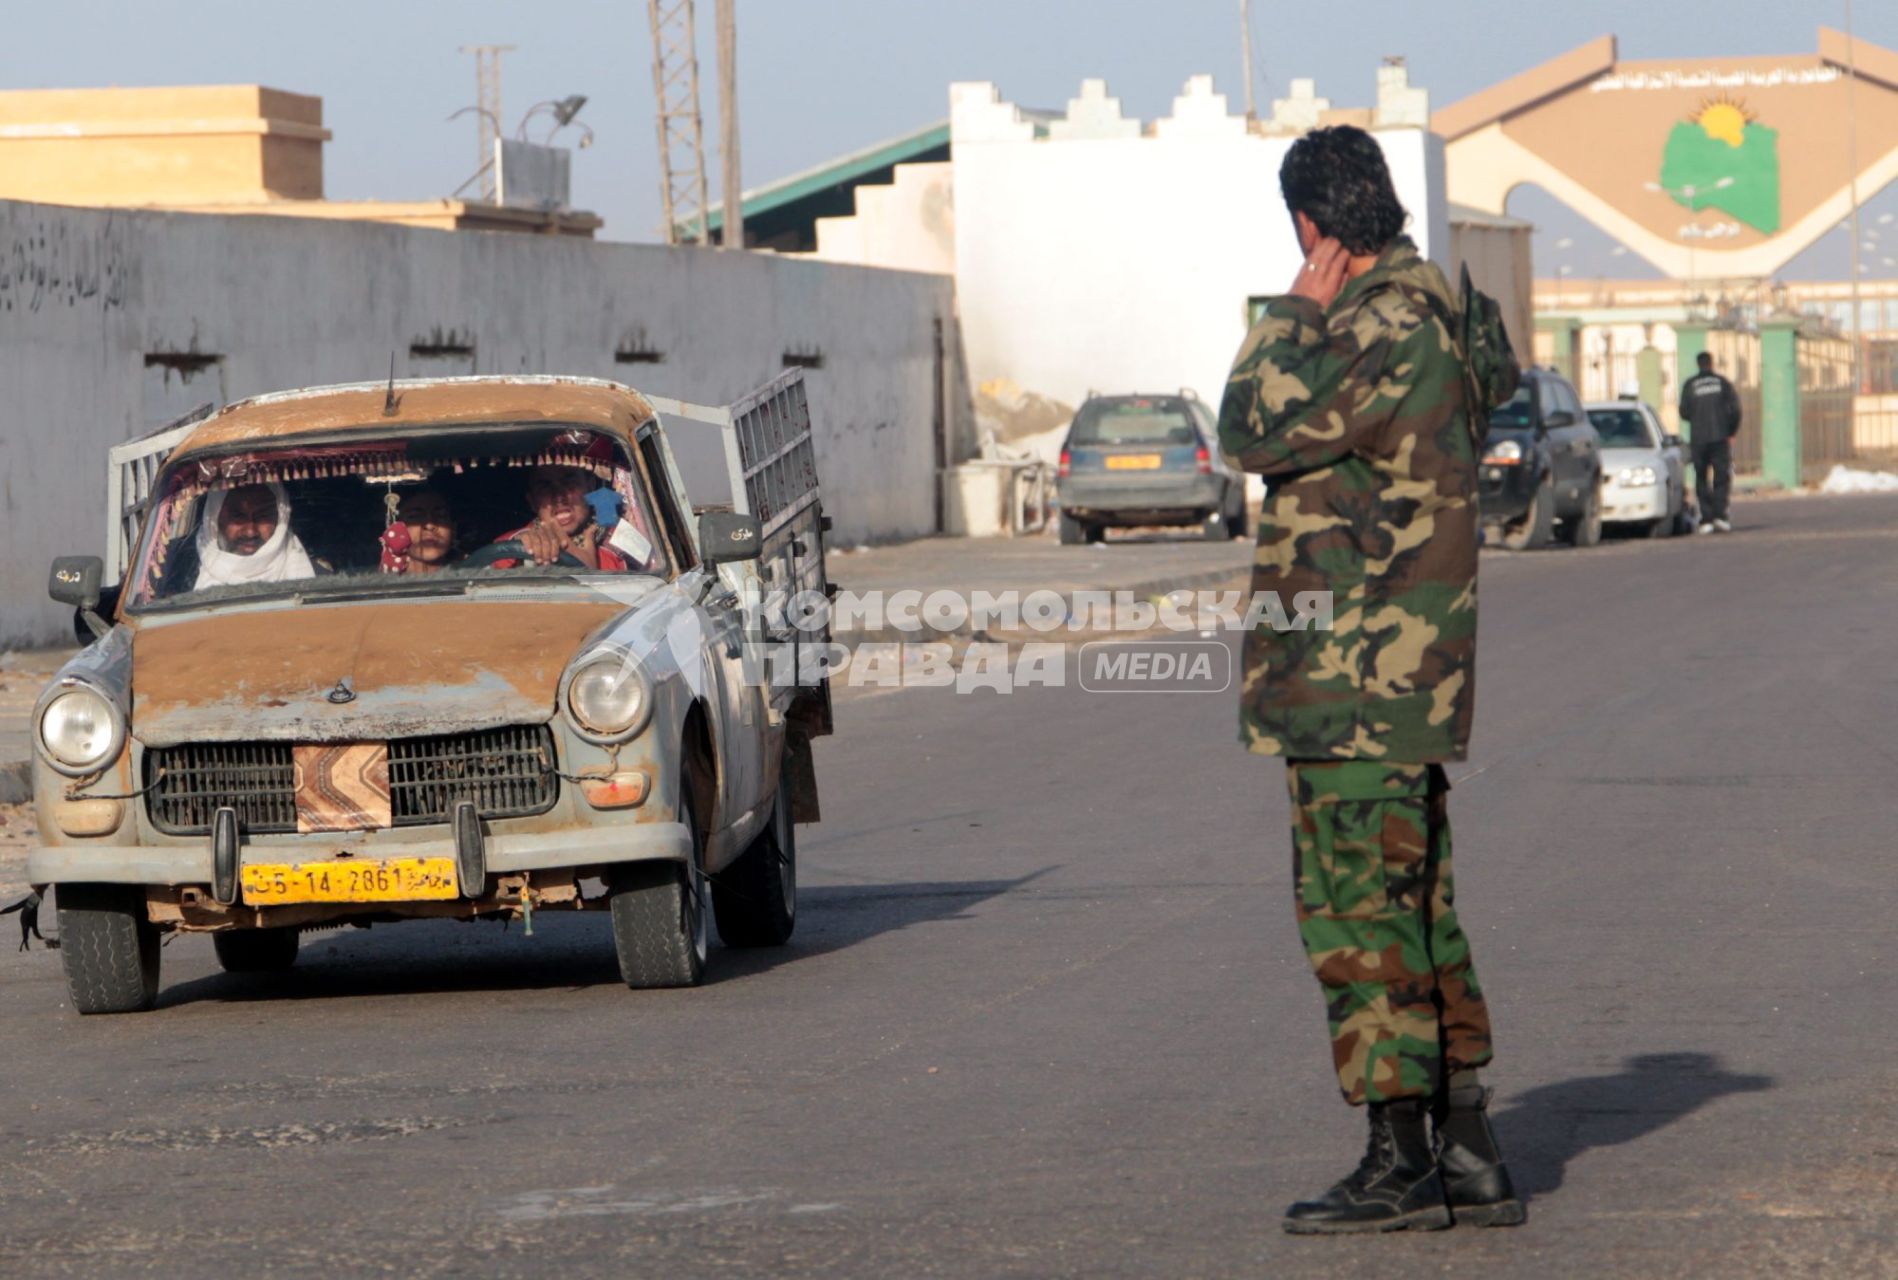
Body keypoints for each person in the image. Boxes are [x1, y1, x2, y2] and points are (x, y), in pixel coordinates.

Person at [1216, 125, 1522, 1234]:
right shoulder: (1439, 308)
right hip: (1401, 680)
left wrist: (1290, 312)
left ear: (1310, 225)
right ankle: (1470, 1148)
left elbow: (1245, 427)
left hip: (1351, 678)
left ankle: (1398, 1158)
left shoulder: (1367, 325)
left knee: (1357, 912)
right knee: (1415, 900)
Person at [491, 465, 653, 571]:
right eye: (545, 486)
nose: (559, 496)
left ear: (589, 487)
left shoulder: (625, 540)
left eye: (569, 481)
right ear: (532, 501)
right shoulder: (510, 549)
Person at [192, 481, 316, 590]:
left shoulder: (320, 580)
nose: (250, 532)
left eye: (262, 516)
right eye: (238, 517)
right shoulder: (181, 579)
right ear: (215, 519)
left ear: (279, 519)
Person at [1678, 351, 1742, 533]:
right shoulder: (1722, 383)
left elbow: (1684, 412)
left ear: (1698, 364)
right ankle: (1720, 516)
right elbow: (1735, 409)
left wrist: (1698, 417)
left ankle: (1706, 519)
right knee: (1722, 477)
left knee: (1701, 478)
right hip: (1720, 437)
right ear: (1711, 363)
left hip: (1699, 439)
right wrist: (1731, 431)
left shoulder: (1690, 385)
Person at [394, 488, 460, 574]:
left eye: (440, 515)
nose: (429, 525)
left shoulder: (475, 574)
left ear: (453, 529)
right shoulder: (375, 582)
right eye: (415, 516)